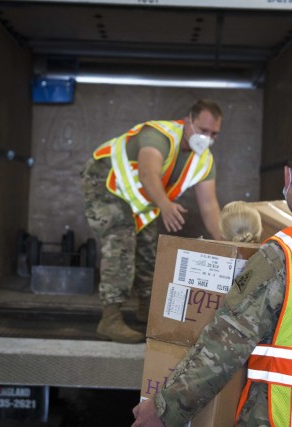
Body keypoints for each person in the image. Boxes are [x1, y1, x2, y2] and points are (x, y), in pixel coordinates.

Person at [131, 132, 292, 426]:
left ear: (288, 177)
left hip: (289, 414)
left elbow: (225, 344)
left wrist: (164, 411)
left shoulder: (284, 253)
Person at [81, 99, 223, 344]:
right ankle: (110, 318)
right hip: (104, 183)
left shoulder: (204, 161)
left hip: (137, 199)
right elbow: (148, 173)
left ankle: (147, 310)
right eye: (203, 130)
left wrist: (228, 243)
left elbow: (209, 206)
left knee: (148, 245)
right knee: (121, 237)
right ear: (188, 121)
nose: (207, 138)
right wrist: (166, 206)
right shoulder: (160, 136)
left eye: (214, 134)